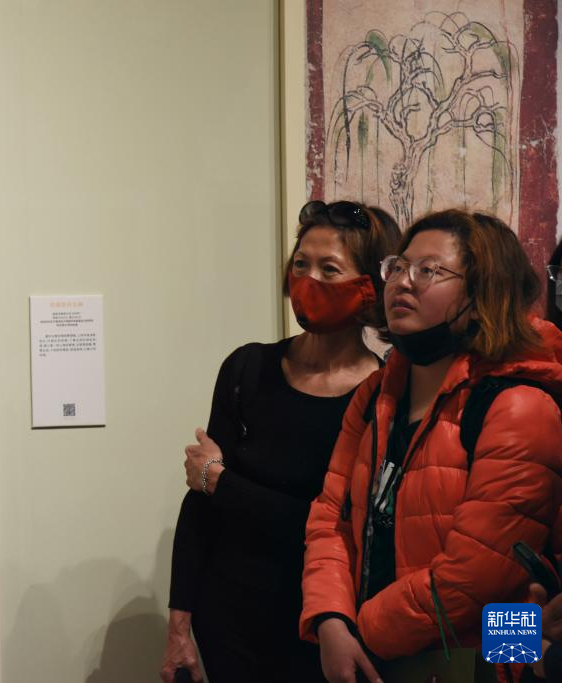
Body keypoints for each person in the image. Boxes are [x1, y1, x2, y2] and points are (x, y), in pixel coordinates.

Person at [300, 210, 562, 683]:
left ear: (482, 295)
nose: (403, 282)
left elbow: (481, 575)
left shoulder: (519, 403)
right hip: (379, 653)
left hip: (492, 650)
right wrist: (330, 619)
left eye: (429, 270)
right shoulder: (377, 394)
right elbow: (330, 516)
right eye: (399, 266)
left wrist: (363, 630)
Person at [161, 200, 400, 683]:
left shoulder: (381, 396)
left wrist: (222, 481)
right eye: (301, 264)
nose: (309, 280)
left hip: (320, 623)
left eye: (329, 269)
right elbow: (200, 506)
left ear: (368, 288)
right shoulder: (247, 368)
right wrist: (179, 625)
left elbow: (331, 527)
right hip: (226, 616)